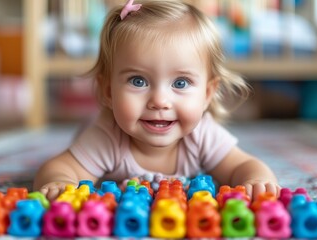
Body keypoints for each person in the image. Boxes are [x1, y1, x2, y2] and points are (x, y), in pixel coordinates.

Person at [34, 0, 279, 201]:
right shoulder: (107, 137)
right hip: (92, 128)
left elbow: (243, 166)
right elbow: (57, 169)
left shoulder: (202, 134)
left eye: (180, 83)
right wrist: (60, 183)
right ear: (108, 91)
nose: (160, 101)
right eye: (138, 81)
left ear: (207, 93)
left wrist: (255, 181)